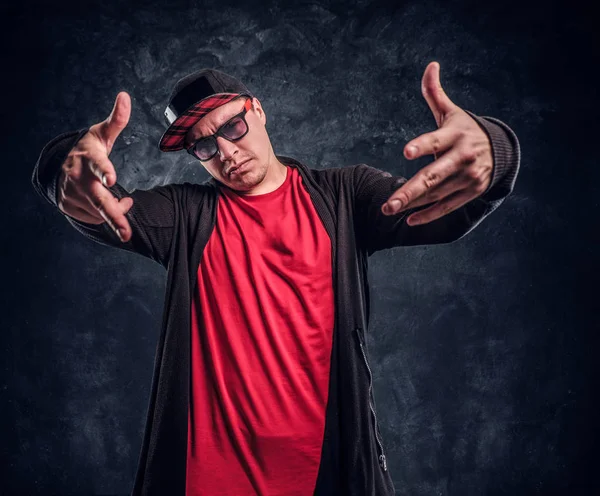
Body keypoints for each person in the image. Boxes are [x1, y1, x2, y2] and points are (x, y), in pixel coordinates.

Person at [32, 62, 520, 496]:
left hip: (324, 474)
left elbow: (451, 208)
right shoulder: (185, 215)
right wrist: (65, 173)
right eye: (203, 145)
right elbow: (95, 204)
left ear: (258, 110)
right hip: (206, 482)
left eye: (234, 126)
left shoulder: (344, 197)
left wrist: (493, 152)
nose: (226, 152)